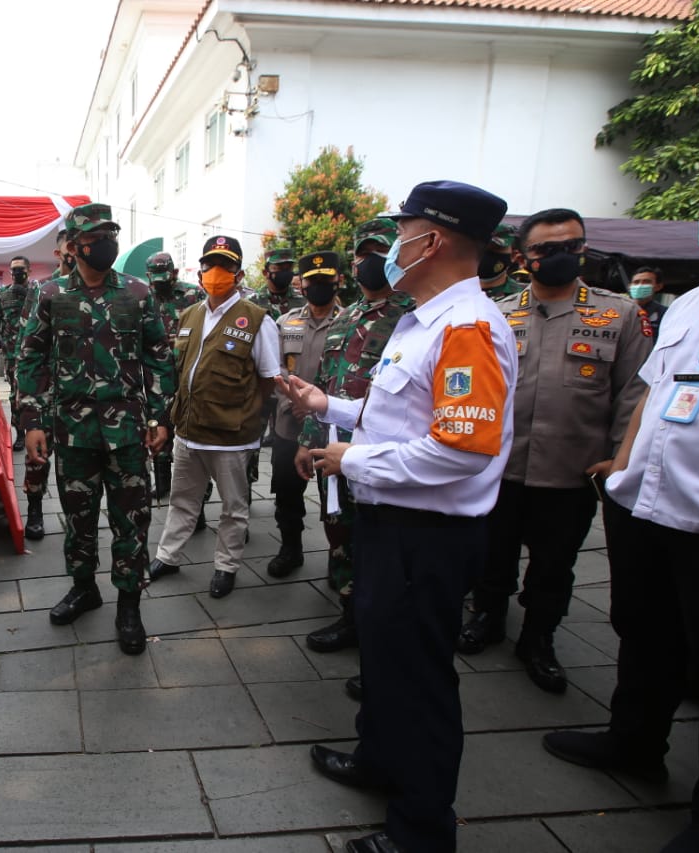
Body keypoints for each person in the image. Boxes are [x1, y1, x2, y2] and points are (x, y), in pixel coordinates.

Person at [282, 180, 515, 853]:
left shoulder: (466, 326)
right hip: (394, 527)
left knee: (418, 682)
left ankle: (420, 829)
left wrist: (349, 461)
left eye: (403, 232)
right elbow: (400, 415)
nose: (393, 246)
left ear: (433, 241)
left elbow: (460, 448)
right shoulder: (425, 320)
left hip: (429, 536)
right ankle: (378, 759)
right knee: (384, 662)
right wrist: (327, 405)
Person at [542, 162, 699, 853]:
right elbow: (653, 385)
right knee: (645, 631)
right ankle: (634, 740)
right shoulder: (695, 303)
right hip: (650, 498)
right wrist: (622, 463)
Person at [458, 208, 652, 694]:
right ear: (525, 258)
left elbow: (634, 392)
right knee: (492, 557)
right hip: (500, 469)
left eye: (573, 245)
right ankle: (488, 618)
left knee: (553, 567)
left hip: (571, 471)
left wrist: (618, 457)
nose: (562, 255)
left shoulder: (618, 314)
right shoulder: (498, 312)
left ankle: (539, 639)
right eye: (547, 249)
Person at [18, 203, 174, 654]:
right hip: (73, 433)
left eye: (111, 233)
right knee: (78, 519)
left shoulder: (138, 294)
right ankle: (84, 588)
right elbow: (30, 358)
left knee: (132, 521)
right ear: (73, 245)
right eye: (95, 236)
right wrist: (32, 421)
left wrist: (159, 416)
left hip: (127, 432)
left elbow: (160, 357)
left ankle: (129, 604)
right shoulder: (50, 296)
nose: (105, 242)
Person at [297, 219, 413, 668]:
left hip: (382, 453)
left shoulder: (412, 314)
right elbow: (323, 384)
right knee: (339, 532)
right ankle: (350, 616)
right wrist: (308, 442)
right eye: (363, 255)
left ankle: (381, 633)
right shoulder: (346, 318)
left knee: (382, 546)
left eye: (379, 254)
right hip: (334, 446)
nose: (371, 263)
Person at [147, 236, 281, 598]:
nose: (215, 273)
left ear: (238, 273)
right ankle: (168, 556)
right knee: (182, 500)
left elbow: (269, 380)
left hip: (231, 436)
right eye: (209, 265)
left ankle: (226, 566)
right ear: (200, 270)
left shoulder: (257, 320)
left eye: (225, 265)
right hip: (188, 432)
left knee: (234, 508)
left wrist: (245, 414)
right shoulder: (190, 314)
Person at [265, 251, 342, 580]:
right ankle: (290, 548)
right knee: (287, 491)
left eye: (326, 280)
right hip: (289, 421)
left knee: (334, 499)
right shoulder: (287, 322)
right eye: (313, 281)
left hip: (332, 428)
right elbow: (274, 367)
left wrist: (315, 404)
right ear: (303, 284)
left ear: (338, 281)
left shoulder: (348, 322)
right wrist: (294, 400)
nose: (319, 286)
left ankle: (338, 556)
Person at [16, 229, 76, 540]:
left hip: (79, 396)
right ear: (60, 253)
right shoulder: (42, 289)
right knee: (37, 457)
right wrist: (26, 402)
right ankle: (36, 508)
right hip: (46, 392)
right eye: (73, 247)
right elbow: (27, 344)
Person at [145, 250, 204, 500]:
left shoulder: (193, 295)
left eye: (164, 277)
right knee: (157, 424)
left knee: (188, 432)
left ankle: (194, 494)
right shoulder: (144, 297)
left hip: (188, 373)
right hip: (156, 375)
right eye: (154, 278)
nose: (159, 283)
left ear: (175, 273)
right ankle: (162, 484)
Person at [0, 255, 34, 450]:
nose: (17, 272)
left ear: (29, 271)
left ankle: (38, 431)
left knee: (37, 394)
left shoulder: (38, 292)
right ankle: (21, 434)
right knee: (16, 395)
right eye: (13, 269)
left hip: (36, 354)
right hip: (12, 355)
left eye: (21, 268)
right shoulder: (2, 295)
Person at [479, 222, 523, 300]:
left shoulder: (521, 297)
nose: (484, 253)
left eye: (495, 248)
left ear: (513, 255)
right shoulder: (453, 291)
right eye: (480, 247)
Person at [628, 265, 668, 340]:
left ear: (658, 286)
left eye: (646, 282)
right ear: (629, 286)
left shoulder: (665, 314)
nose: (640, 286)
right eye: (636, 282)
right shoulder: (619, 309)